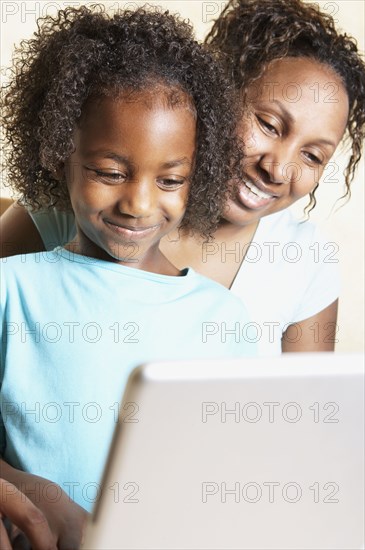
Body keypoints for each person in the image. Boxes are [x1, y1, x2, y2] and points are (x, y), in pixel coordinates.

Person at [0, 5, 254, 547]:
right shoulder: (11, 290)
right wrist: (35, 495)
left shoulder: (226, 320)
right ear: (58, 151)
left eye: (170, 180)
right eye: (110, 173)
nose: (138, 203)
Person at [2, 0, 364, 355]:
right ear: (212, 99)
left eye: (313, 156)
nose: (278, 168)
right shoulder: (67, 210)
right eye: (268, 124)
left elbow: (302, 410)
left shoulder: (303, 259)